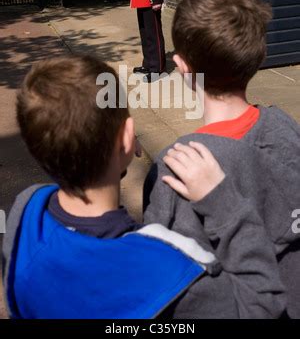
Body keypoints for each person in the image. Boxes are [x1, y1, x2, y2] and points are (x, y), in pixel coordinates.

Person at [3, 55, 285, 319]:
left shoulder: (25, 214)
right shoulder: (172, 269)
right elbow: (263, 304)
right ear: (128, 138)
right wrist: (224, 204)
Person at [144, 0, 300, 319]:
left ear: (182, 67)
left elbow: (163, 284)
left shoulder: (175, 167)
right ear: (258, 57)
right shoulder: (287, 129)